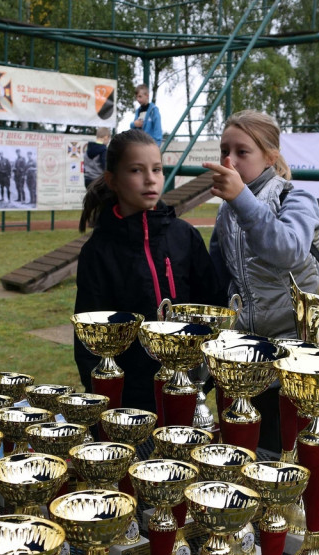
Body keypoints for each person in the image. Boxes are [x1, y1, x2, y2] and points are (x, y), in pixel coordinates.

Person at [74, 129, 224, 411]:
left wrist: (202, 380)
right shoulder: (98, 252)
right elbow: (88, 340)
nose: (150, 179)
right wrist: (103, 401)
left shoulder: (185, 237)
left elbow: (213, 307)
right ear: (113, 180)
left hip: (187, 391)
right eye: (136, 170)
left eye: (157, 169)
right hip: (129, 401)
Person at [205, 110, 319, 339]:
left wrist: (242, 200)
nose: (230, 160)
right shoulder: (226, 210)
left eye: (242, 152)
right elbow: (220, 276)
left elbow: (290, 252)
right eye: (224, 151)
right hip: (247, 336)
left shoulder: (295, 197)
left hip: (298, 334)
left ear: (270, 157)